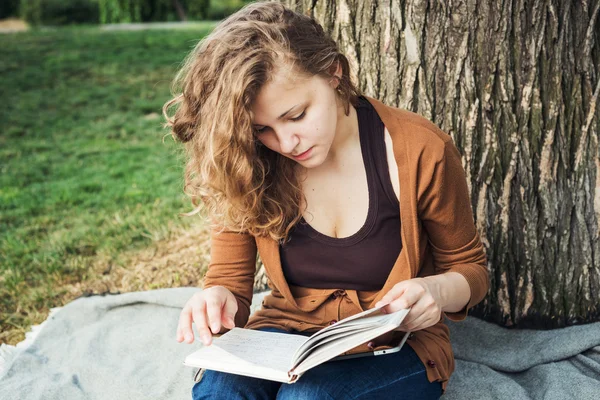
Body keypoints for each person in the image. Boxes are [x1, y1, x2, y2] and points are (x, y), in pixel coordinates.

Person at [163, 1, 489, 399]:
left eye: (296, 115)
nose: (285, 143)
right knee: (219, 390)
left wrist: (436, 291)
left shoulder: (421, 149)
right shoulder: (246, 160)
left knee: (309, 398)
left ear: (334, 73)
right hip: (284, 337)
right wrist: (217, 298)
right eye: (263, 128)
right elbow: (229, 282)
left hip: (395, 345)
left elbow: (469, 270)